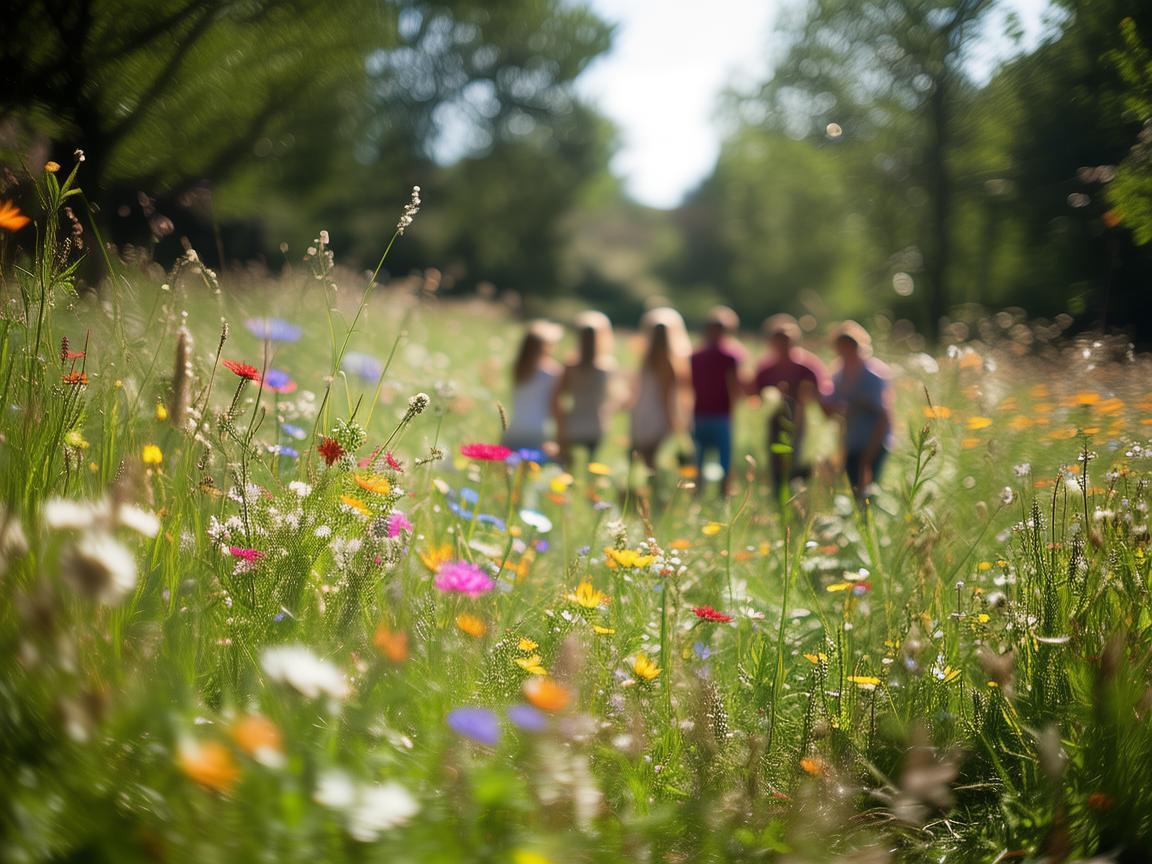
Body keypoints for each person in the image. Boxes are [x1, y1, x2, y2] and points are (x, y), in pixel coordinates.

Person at [751, 314, 831, 497]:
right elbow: (756, 397)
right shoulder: (766, 369)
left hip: (802, 421)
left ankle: (799, 498)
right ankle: (780, 498)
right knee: (777, 461)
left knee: (800, 460)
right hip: (775, 422)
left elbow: (822, 396)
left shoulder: (808, 368)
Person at [826, 320, 892, 503]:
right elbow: (831, 408)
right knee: (853, 490)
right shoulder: (838, 375)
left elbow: (884, 416)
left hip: (873, 442)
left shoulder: (873, 376)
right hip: (851, 441)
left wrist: (869, 454)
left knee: (867, 491)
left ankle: (868, 527)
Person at [689, 306, 745, 496]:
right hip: (718, 415)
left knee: (700, 461)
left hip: (704, 414)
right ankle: (722, 499)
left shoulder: (695, 356)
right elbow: (736, 387)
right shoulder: (731, 356)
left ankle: (700, 498)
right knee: (722, 462)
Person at [629, 307, 690, 476]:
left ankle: (640, 494)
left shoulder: (646, 358)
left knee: (642, 460)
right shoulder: (668, 362)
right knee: (655, 462)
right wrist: (674, 424)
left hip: (641, 411)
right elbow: (666, 396)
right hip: (658, 414)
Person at [552, 311, 616, 466]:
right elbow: (612, 397)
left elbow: (559, 396)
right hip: (596, 423)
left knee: (567, 467)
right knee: (591, 468)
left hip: (573, 422)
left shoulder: (570, 365)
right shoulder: (607, 365)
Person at [502, 320, 563, 454]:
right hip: (538, 430)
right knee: (531, 470)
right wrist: (561, 434)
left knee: (509, 470)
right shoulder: (553, 371)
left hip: (515, 427)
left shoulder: (517, 367)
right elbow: (555, 406)